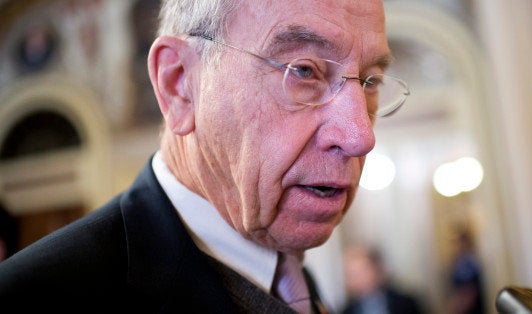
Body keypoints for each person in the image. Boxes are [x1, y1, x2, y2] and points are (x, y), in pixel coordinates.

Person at [0, 1, 409, 313]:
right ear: (179, 84)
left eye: (371, 81)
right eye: (303, 70)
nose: (361, 136)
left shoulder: (293, 280)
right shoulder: (35, 297)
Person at [341, 245, 425, 314]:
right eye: (353, 274)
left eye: (364, 270)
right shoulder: (346, 311)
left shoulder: (407, 303)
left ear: (376, 269)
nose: (360, 278)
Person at [446, 228, 486, 314]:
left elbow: (469, 291)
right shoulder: (458, 262)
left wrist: (457, 309)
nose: (458, 246)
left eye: (460, 242)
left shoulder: (470, 262)